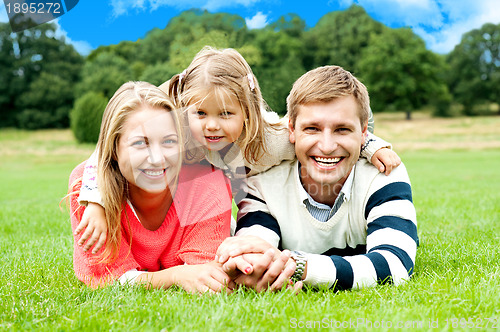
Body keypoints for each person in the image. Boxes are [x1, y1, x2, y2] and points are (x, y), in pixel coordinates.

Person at [74, 47, 400, 257]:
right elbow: (106, 150)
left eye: (226, 115)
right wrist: (96, 201)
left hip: (248, 213)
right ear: (185, 108)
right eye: (200, 114)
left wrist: (371, 145)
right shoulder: (176, 135)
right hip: (200, 211)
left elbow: (320, 136)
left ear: (248, 112)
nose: (212, 126)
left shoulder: (270, 140)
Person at [217, 65, 418, 291]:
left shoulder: (383, 174)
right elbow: (254, 255)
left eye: (342, 129)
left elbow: (395, 265)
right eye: (312, 128)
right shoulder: (262, 181)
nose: (327, 146)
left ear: (364, 133)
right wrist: (255, 267)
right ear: (291, 129)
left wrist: (299, 266)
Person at [67, 81, 233, 293]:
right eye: (140, 143)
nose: (157, 158)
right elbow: (107, 277)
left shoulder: (207, 183)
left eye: (169, 142)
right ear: (114, 148)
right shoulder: (87, 189)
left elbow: (203, 272)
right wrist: (175, 275)